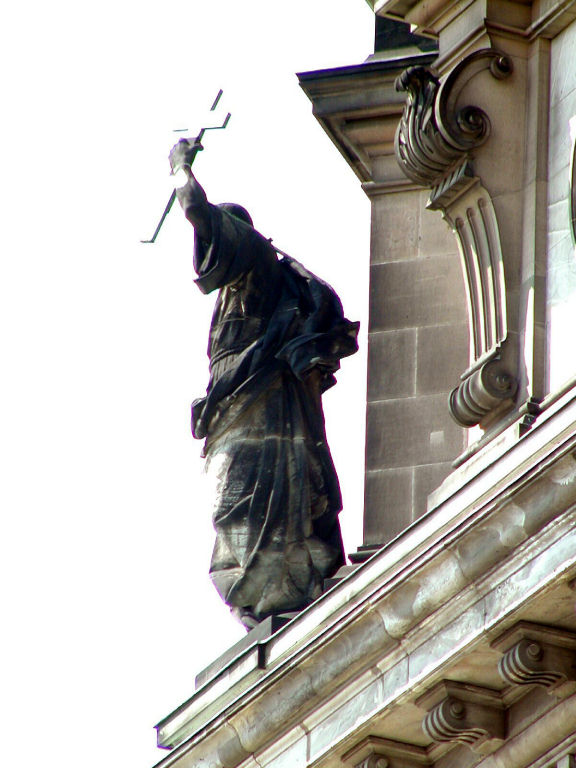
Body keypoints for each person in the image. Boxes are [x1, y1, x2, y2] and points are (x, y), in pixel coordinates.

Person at [170, 140, 359, 629]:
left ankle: (279, 593)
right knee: (230, 509)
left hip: (262, 404)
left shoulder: (256, 261)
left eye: (220, 239)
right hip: (233, 407)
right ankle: (263, 597)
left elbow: (196, 209)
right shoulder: (233, 296)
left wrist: (180, 166)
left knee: (241, 505)